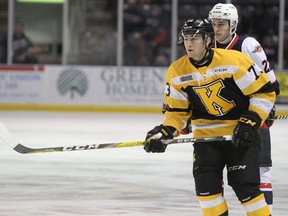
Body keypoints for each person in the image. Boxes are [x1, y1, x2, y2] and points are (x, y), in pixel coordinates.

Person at [144, 18, 275, 216]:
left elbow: (264, 93)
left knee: (246, 190)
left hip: (238, 136)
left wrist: (250, 122)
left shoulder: (234, 61)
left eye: (194, 38)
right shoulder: (177, 71)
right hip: (205, 139)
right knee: (206, 192)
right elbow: (176, 113)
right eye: (186, 38)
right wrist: (166, 132)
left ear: (207, 40)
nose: (189, 43)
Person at [207, 3, 280, 213]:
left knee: (261, 170)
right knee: (213, 172)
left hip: (252, 118)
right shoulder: (207, 47)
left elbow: (271, 84)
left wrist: (267, 108)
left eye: (222, 24)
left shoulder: (247, 44)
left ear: (233, 25)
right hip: (220, 120)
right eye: (213, 23)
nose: (216, 28)